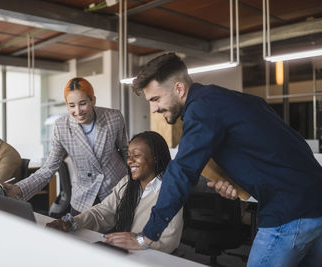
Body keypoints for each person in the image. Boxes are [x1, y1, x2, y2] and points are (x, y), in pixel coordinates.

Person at [121, 53, 322, 266]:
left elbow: (181, 171)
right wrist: (234, 181)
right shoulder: (224, 99)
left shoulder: (201, 109)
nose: (153, 109)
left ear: (179, 89)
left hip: (289, 211)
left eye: (156, 99)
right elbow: (281, 145)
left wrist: (149, 235)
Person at [0, 77, 128, 215]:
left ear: (93, 100)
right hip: (84, 197)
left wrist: (137, 186)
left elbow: (126, 152)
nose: (78, 111)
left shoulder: (114, 117)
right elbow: (48, 168)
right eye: (71, 105)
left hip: (116, 191)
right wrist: (17, 188)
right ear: (66, 105)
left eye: (83, 103)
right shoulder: (62, 126)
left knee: (117, 236)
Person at [46, 131, 183, 254]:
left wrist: (138, 240)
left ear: (156, 157)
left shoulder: (170, 190)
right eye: (129, 156)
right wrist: (72, 222)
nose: (129, 161)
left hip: (151, 258)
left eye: (136, 156)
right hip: (126, 254)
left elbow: (168, 242)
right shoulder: (127, 183)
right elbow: (104, 212)